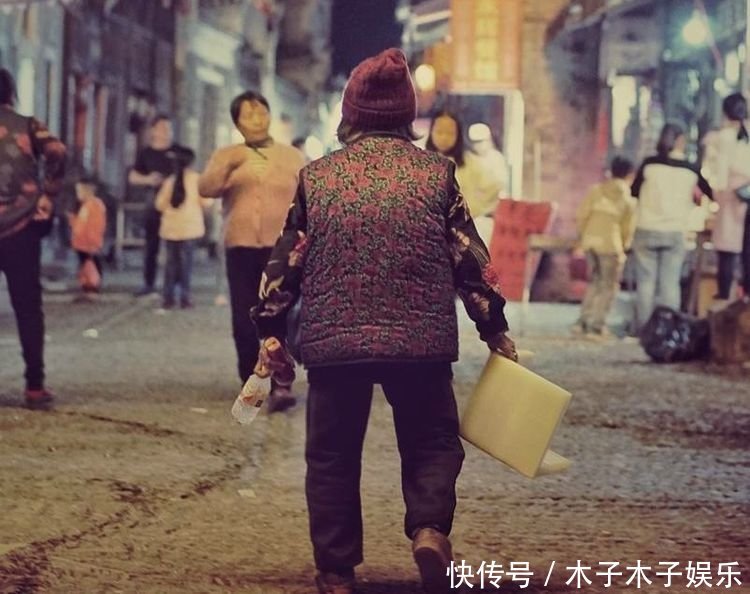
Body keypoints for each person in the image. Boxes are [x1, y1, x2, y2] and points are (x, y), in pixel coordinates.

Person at [251, 48, 516, 594]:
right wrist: (494, 327)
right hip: (420, 340)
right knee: (432, 441)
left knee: (331, 455)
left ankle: (336, 569)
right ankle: (429, 529)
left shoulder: (318, 178)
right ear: (407, 114)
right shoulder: (436, 175)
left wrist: (270, 328)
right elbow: (471, 259)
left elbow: (287, 259)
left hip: (335, 339)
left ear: (350, 113)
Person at [198, 91, 305, 412]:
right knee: (244, 318)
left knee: (279, 314)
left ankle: (282, 384)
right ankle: (253, 381)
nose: (257, 119)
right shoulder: (227, 155)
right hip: (241, 244)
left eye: (261, 112)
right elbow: (206, 188)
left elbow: (308, 195)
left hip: (281, 248)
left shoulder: (291, 156)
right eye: (248, 114)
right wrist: (228, 165)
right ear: (237, 122)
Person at [0, 68, 66, 409]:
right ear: (11, 94)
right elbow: (58, 151)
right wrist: (48, 194)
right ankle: (35, 387)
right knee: (27, 308)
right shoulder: (27, 125)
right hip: (21, 227)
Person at [631, 123, 713, 330]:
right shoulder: (691, 169)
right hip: (675, 230)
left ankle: (644, 329)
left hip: (646, 227)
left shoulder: (649, 164)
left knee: (646, 282)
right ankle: (667, 330)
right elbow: (710, 193)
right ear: (680, 141)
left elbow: (634, 191)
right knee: (670, 282)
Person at [573, 156, 636, 337]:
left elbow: (582, 216)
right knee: (609, 286)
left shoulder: (596, 191)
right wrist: (624, 246)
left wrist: (582, 238)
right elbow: (627, 229)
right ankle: (597, 325)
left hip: (590, 242)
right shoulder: (628, 200)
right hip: (611, 245)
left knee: (594, 281)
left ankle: (583, 322)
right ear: (630, 175)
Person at [128, 115, 184, 297]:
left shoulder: (178, 152)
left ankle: (175, 286)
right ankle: (148, 283)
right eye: (161, 128)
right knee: (151, 244)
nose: (165, 132)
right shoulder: (146, 153)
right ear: (153, 130)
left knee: (175, 246)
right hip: (153, 203)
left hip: (175, 205)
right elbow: (133, 176)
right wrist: (148, 179)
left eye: (168, 128)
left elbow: (190, 172)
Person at [702, 93, 750, 303]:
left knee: (727, 252)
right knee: (747, 250)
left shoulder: (723, 137)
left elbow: (719, 175)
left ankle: (724, 297)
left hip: (732, 197)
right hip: (746, 196)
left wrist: (717, 196)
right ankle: (746, 297)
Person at [155, 148, 207, 309]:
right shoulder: (197, 180)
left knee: (170, 265)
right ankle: (185, 297)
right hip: (190, 229)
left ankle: (168, 298)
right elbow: (206, 202)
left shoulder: (170, 181)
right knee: (186, 265)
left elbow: (159, 204)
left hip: (170, 229)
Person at [68, 176, 107, 299]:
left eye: (80, 191)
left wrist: (92, 242)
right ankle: (87, 288)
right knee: (85, 266)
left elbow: (94, 226)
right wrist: (72, 220)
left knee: (91, 266)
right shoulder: (86, 206)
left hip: (88, 244)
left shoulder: (93, 205)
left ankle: (92, 288)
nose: (78, 194)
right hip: (82, 243)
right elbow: (81, 225)